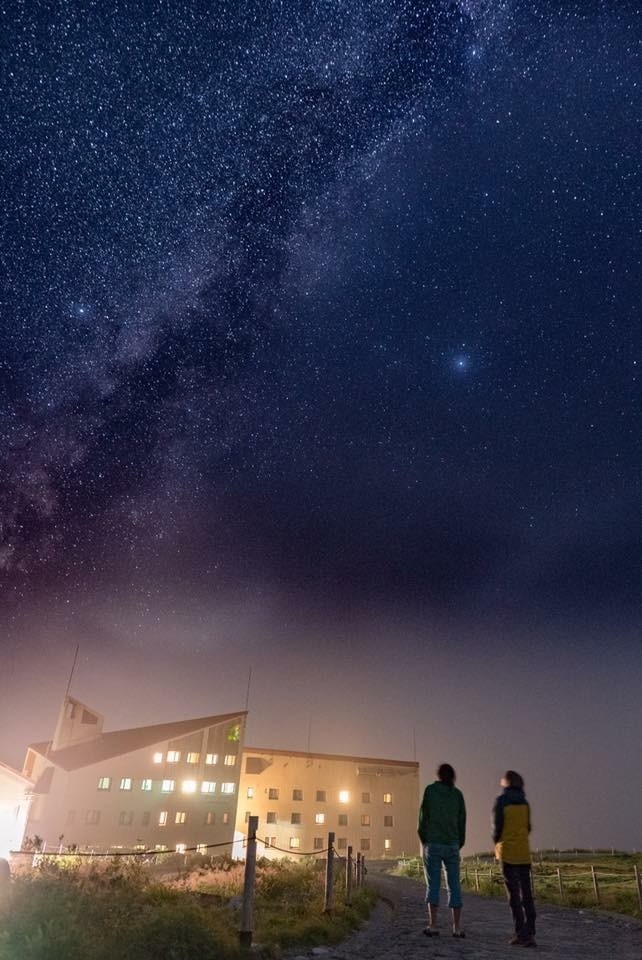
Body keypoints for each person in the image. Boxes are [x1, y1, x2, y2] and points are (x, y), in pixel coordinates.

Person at [417, 762, 466, 938]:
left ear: (438, 775)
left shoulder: (430, 791)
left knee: (433, 885)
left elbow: (423, 817)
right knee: (454, 885)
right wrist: (458, 842)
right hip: (452, 844)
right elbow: (462, 821)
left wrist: (424, 839)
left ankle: (434, 925)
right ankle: (457, 927)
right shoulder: (457, 795)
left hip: (433, 843)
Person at [492, 770, 537, 948]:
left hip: (508, 852)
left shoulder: (501, 801)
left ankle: (520, 933)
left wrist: (498, 842)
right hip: (523, 852)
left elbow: (496, 828)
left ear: (506, 783)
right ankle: (531, 931)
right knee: (527, 894)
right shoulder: (525, 802)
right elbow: (528, 827)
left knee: (514, 897)